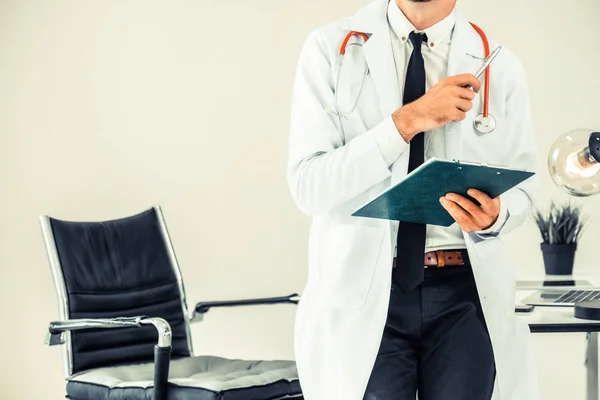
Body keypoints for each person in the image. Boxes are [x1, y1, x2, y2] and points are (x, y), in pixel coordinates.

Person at [286, 0, 541, 399]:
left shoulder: (500, 66)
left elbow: (524, 187)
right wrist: (408, 121)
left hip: (463, 294)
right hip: (367, 287)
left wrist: (495, 215)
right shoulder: (330, 48)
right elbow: (309, 186)